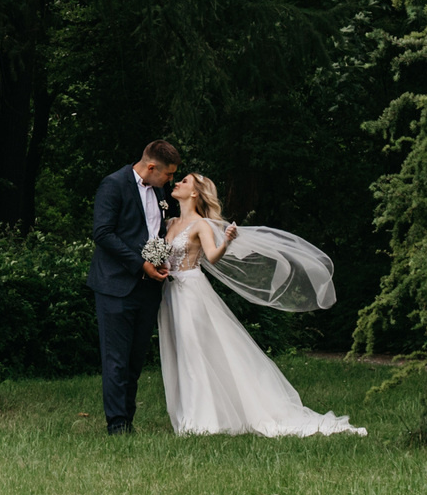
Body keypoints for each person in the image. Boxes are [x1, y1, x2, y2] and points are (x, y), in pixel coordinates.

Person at [156, 173, 366, 438]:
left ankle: (201, 419)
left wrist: (227, 242)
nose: (177, 183)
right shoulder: (170, 222)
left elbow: (212, 256)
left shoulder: (200, 226)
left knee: (194, 350)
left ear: (195, 193)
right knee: (178, 351)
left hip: (190, 293)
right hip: (169, 293)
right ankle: (189, 414)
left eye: (184, 181)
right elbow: (157, 252)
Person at [88, 139, 182, 435]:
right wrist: (140, 264)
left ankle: (127, 418)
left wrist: (160, 260)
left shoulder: (160, 191)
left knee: (135, 358)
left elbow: (156, 233)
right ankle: (117, 425)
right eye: (167, 175)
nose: (170, 180)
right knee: (116, 359)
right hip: (115, 285)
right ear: (151, 166)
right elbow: (102, 233)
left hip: (148, 288)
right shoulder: (113, 185)